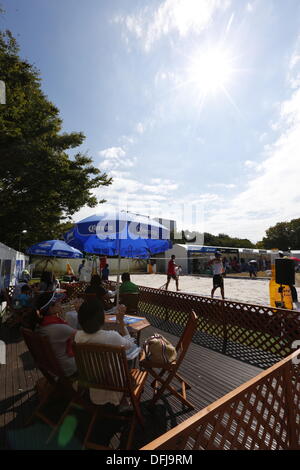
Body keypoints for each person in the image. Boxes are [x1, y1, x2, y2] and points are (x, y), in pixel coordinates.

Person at [75, 298, 140, 406]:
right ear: (101, 319)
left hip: (94, 382)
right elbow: (130, 345)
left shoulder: (78, 336)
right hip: (117, 384)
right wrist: (121, 321)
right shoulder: (111, 336)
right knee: (131, 359)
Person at [31, 291, 77, 377]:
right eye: (57, 302)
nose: (60, 303)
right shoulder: (58, 328)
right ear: (50, 308)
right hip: (67, 367)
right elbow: (83, 337)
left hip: (53, 367)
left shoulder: (42, 324)